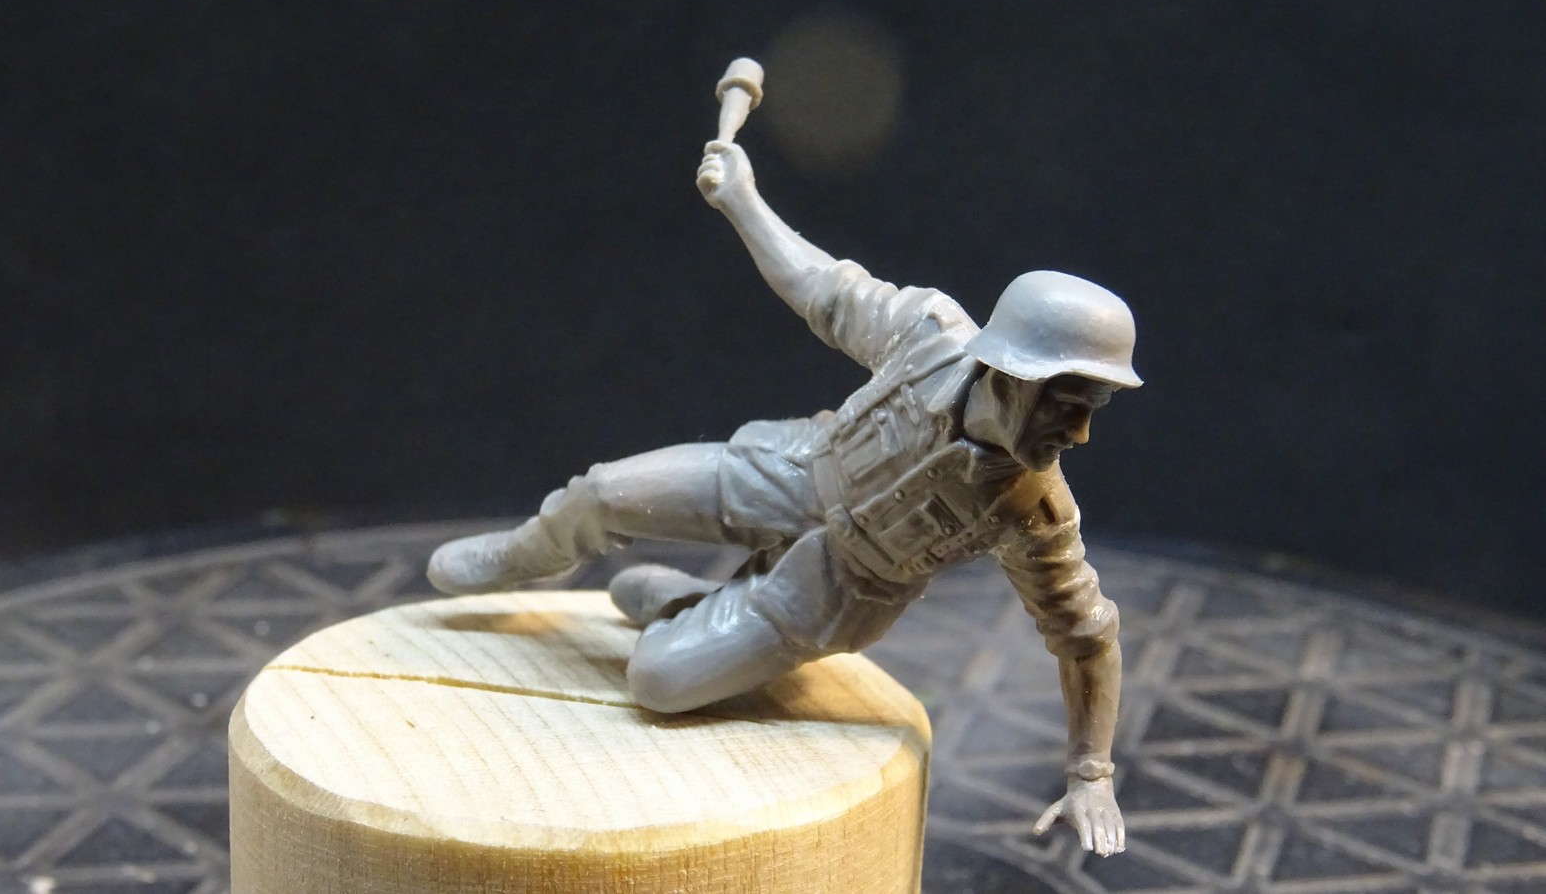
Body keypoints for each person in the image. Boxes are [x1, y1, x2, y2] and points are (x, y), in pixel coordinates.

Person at [428, 140, 1140, 856]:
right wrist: (741, 198)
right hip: (792, 469)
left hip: (837, 588)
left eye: (1094, 409)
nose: (1079, 434)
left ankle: (685, 609)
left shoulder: (1032, 509)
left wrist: (1091, 774)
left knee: (659, 679)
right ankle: (520, 556)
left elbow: (1085, 633)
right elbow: (822, 288)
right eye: (1066, 404)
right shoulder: (928, 337)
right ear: (1011, 374)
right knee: (605, 491)